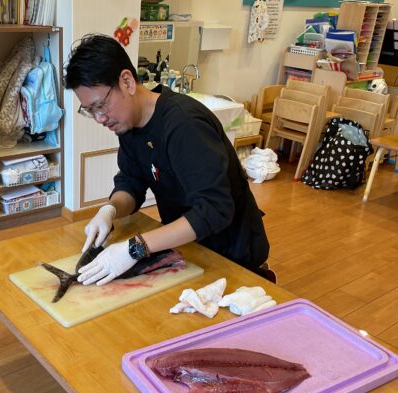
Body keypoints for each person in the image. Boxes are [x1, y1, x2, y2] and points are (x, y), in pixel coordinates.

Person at [63, 34, 272, 286]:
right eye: (90, 110)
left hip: (231, 254)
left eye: (100, 105)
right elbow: (131, 183)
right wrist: (110, 210)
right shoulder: (129, 125)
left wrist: (136, 247)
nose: (99, 118)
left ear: (127, 82)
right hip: (188, 246)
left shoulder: (183, 124)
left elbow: (215, 209)